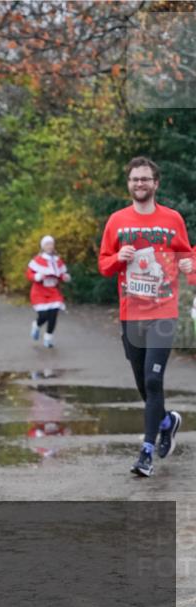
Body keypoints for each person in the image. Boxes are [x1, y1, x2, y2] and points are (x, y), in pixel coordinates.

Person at [97, 156, 194, 477]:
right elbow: (103, 264)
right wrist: (117, 258)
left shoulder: (172, 219)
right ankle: (167, 422)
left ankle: (146, 452)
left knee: (154, 380)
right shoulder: (116, 221)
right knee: (142, 382)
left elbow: (187, 253)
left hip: (164, 312)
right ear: (129, 184)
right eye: (135, 179)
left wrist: (189, 268)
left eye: (145, 179)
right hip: (131, 312)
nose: (140, 184)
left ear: (156, 183)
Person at [26, 235, 70, 348]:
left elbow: (60, 275)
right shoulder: (37, 260)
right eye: (47, 244)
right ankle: (36, 324)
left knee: (53, 314)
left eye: (51, 244)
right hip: (39, 292)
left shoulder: (57, 260)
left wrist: (64, 277)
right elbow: (29, 274)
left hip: (53, 291)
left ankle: (48, 338)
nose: (50, 246)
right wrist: (37, 276)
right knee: (44, 315)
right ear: (43, 247)